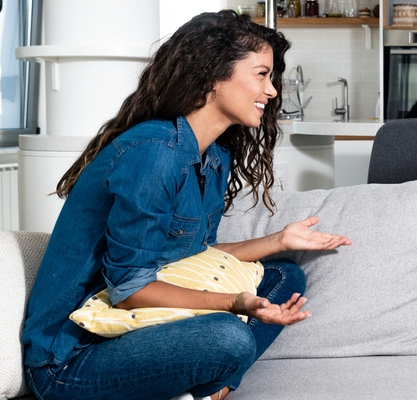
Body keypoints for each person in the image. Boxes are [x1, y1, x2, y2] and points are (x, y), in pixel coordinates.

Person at [21, 10, 351, 400]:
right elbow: (129, 290)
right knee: (228, 338)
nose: (272, 91)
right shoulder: (155, 154)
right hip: (74, 358)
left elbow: (195, 256)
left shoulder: (212, 156)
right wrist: (232, 303)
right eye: (262, 74)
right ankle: (209, 383)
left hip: (136, 324)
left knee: (284, 276)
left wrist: (281, 240)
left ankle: (210, 389)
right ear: (213, 75)